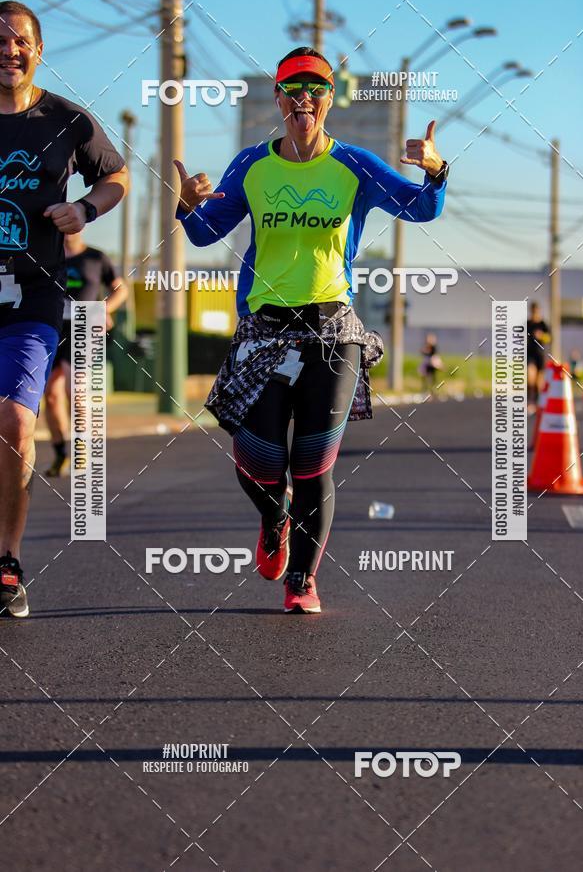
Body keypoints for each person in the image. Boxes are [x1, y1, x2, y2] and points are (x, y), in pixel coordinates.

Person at [174, 46, 448, 614]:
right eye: (293, 89)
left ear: (329, 100)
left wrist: (436, 171)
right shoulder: (252, 164)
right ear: (278, 99)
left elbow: (421, 209)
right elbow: (203, 233)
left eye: (316, 89)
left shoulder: (355, 165)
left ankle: (301, 581)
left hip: (333, 331)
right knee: (257, 461)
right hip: (264, 331)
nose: (305, 99)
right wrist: (187, 206)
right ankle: (274, 516)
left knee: (313, 464)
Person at [0, 1, 128, 618]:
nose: (8, 51)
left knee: (15, 422)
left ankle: (7, 562)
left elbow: (117, 176)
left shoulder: (68, 119)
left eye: (19, 41)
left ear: (39, 49)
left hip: (34, 295)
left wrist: (86, 208)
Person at [44, 232, 128, 477]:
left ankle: (81, 449)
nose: (69, 231)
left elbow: (121, 289)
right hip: (52, 325)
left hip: (83, 326)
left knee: (76, 391)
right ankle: (60, 454)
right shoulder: (50, 255)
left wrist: (104, 309)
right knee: (51, 394)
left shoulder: (96, 257)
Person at [527, 302, 550, 411]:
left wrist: (542, 336)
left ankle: (537, 403)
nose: (534, 313)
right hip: (530, 354)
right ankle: (529, 401)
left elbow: (549, 338)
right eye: (533, 311)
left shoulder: (543, 324)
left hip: (540, 354)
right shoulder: (528, 324)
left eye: (536, 311)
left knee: (538, 382)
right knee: (530, 377)